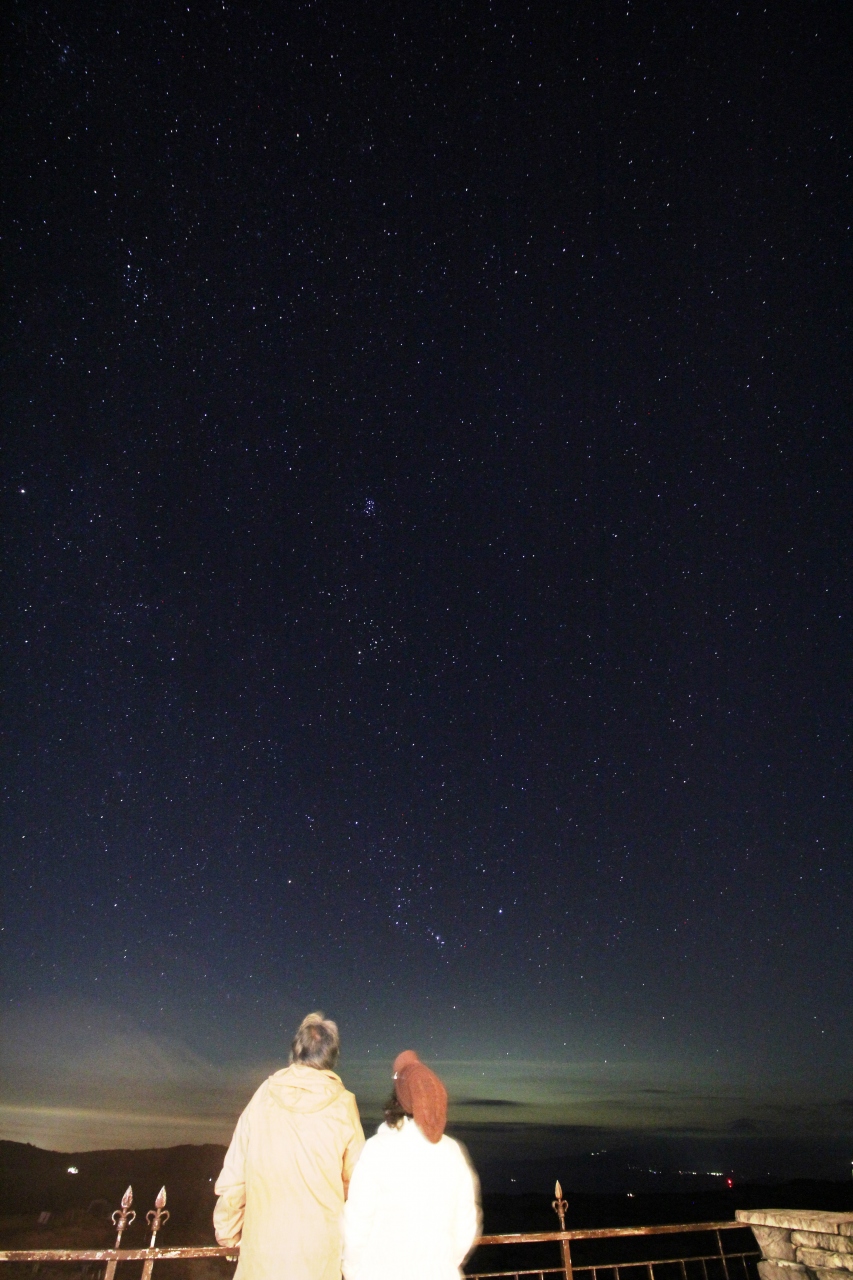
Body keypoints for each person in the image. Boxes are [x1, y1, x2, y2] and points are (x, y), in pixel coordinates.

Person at [214, 1012, 365, 1280]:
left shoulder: (262, 1096)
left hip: (262, 1257)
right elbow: (358, 1185)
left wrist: (228, 1232)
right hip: (318, 1261)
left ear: (295, 1052)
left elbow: (236, 1175)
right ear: (331, 1057)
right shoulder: (343, 1105)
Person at [343, 1050, 481, 1280]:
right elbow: (466, 1225)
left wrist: (352, 1270)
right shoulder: (452, 1153)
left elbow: (356, 1223)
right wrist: (442, 1265)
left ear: (397, 1100)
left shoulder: (377, 1150)